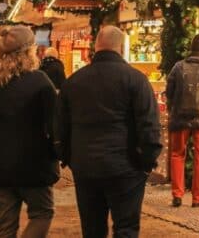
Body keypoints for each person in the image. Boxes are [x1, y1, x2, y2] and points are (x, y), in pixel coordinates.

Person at [62, 25, 162, 238]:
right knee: (126, 227)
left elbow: (61, 125)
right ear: (121, 47)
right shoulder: (136, 79)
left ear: (96, 46)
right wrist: (146, 162)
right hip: (125, 166)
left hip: (85, 166)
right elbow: (149, 124)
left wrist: (69, 158)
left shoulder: (74, 82)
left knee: (92, 228)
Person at [0, 26, 61, 238]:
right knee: (42, 213)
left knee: (4, 224)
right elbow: (54, 124)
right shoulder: (39, 81)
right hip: (34, 164)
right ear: (30, 51)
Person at [164, 34, 199, 208]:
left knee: (177, 154)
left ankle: (177, 195)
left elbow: (169, 92)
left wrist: (176, 104)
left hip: (179, 119)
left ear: (191, 49)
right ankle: (198, 198)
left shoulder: (178, 67)